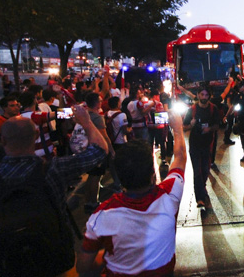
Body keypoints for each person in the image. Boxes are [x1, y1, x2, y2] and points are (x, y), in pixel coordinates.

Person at [0, 108, 108, 277]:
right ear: (35, 137)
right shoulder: (54, 169)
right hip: (55, 256)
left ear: (2, 140)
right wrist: (87, 122)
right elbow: (99, 151)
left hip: (7, 261)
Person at [77, 111, 187, 276]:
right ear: (152, 176)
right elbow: (180, 157)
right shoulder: (170, 195)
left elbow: (83, 268)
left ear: (120, 177)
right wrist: (178, 129)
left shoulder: (101, 215)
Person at [183, 87, 220, 208]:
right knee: (197, 172)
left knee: (205, 170)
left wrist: (209, 129)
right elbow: (184, 127)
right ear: (198, 95)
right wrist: (191, 125)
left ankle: (202, 187)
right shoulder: (192, 110)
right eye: (202, 94)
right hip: (195, 144)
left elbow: (218, 125)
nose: (204, 97)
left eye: (206, 95)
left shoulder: (213, 109)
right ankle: (200, 198)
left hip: (207, 144)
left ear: (209, 96)